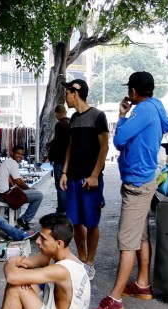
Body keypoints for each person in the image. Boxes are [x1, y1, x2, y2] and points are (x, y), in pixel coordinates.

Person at [90, 71, 168, 309]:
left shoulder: (141, 110)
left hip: (137, 184)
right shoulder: (157, 106)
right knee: (141, 235)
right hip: (146, 179)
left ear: (134, 91)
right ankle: (142, 284)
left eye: (130, 90)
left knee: (126, 242)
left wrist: (122, 116)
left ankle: (115, 299)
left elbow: (120, 140)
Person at [59, 79, 109, 280]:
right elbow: (70, 147)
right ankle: (81, 259)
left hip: (91, 180)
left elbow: (104, 147)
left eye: (67, 93)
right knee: (75, 222)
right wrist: (64, 172)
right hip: (72, 179)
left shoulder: (98, 116)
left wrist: (95, 175)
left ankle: (90, 261)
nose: (65, 97)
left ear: (76, 92)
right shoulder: (72, 119)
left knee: (91, 223)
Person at [0, 145, 44, 230]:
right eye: (18, 154)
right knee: (39, 195)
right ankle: (25, 219)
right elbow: (19, 181)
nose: (20, 156)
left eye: (22, 154)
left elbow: (18, 181)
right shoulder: (12, 163)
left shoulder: (8, 162)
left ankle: (20, 218)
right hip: (7, 195)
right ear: (12, 153)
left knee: (24, 191)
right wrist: (28, 189)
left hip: (4, 193)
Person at [47, 104, 70, 214]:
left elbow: (58, 142)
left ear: (57, 113)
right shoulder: (71, 123)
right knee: (68, 185)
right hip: (70, 160)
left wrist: (50, 154)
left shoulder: (60, 125)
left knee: (60, 186)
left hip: (60, 160)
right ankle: (67, 208)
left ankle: (62, 210)